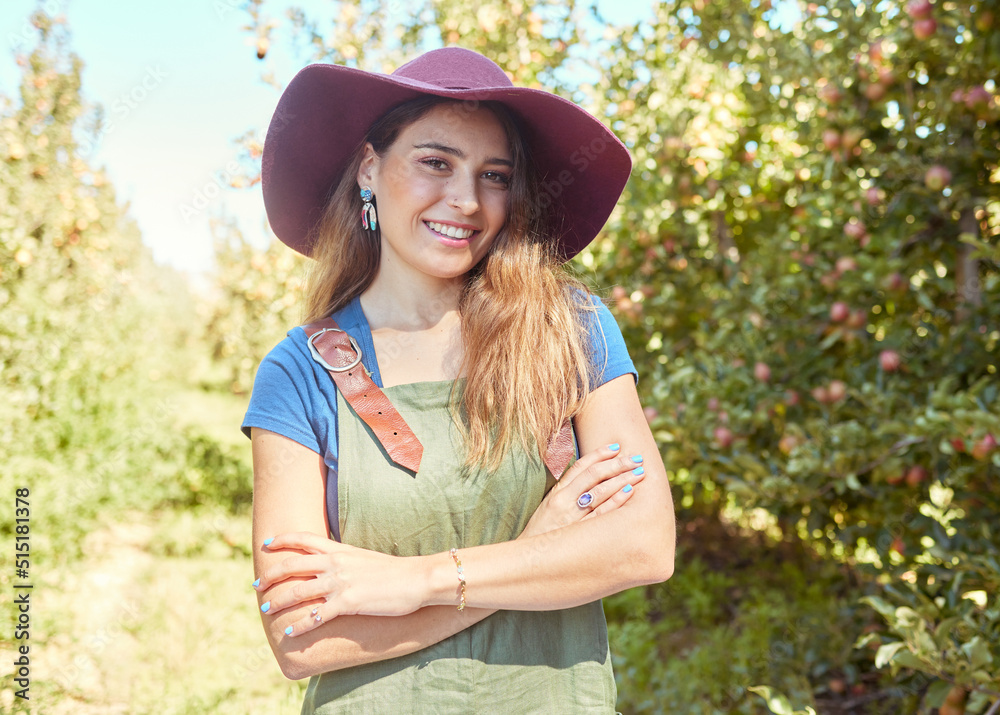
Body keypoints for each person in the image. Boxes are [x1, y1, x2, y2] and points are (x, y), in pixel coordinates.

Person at [242, 47, 675, 713]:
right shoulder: (300, 373)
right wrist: (539, 553)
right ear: (369, 167)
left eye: (494, 176)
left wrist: (417, 581)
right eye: (435, 162)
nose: (467, 200)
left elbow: (645, 545)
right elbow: (301, 638)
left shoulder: (570, 330)